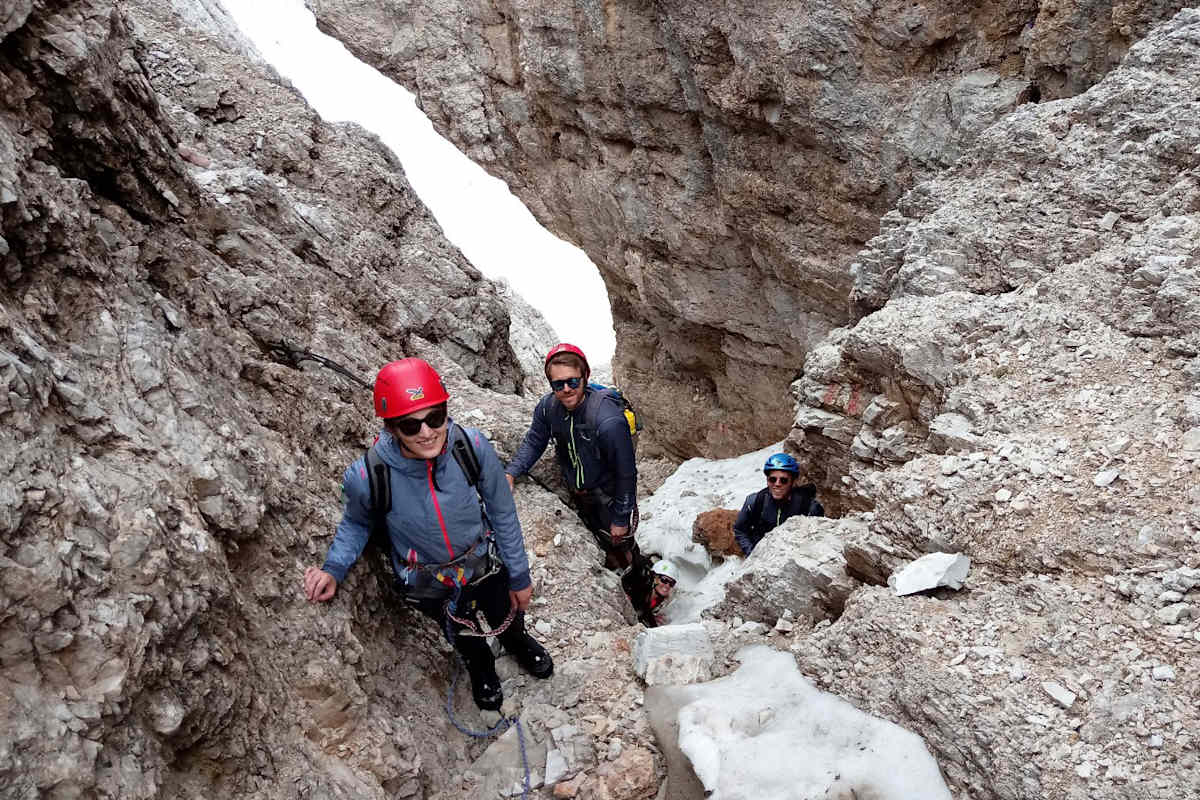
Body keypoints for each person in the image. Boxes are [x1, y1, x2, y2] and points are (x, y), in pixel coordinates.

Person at [302, 358, 552, 711]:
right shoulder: (369, 476)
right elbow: (357, 523)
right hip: (430, 580)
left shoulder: (471, 447)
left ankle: (516, 641)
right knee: (462, 633)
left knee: (504, 610)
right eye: (410, 424)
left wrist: (519, 575)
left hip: (483, 561)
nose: (426, 432)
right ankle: (481, 664)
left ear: (446, 411)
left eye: (435, 417)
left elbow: (502, 512)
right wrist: (334, 568)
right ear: (391, 428)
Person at [505, 344, 640, 575]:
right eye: (558, 384)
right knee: (601, 539)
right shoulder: (548, 408)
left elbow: (626, 472)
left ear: (585, 376)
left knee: (622, 544)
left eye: (572, 381)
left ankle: (640, 582)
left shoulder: (608, 421)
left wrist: (620, 517)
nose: (566, 389)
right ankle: (615, 570)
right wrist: (512, 472)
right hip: (580, 493)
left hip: (608, 496)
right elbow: (535, 441)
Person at [733, 453, 824, 556]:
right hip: (760, 557)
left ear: (793, 482)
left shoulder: (809, 508)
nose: (777, 484)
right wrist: (751, 553)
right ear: (767, 480)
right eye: (772, 479)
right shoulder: (755, 501)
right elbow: (740, 530)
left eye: (783, 480)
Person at [636, 559, 679, 628]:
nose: (667, 586)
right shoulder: (639, 592)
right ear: (654, 578)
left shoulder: (660, 600)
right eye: (664, 580)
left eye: (671, 583)